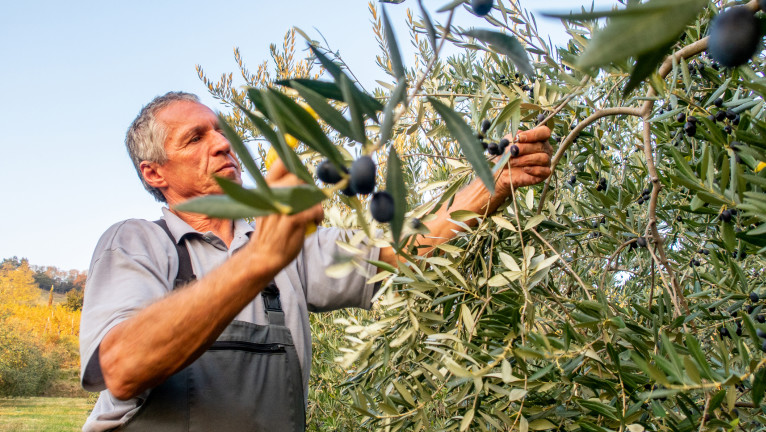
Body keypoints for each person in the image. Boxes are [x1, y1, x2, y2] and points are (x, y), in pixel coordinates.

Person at [79, 91, 552, 431]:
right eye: (194, 138)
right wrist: (259, 260)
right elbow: (122, 365)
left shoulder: (286, 246)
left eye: (221, 131)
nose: (222, 144)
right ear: (154, 172)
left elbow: (404, 255)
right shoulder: (137, 243)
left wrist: (492, 184)